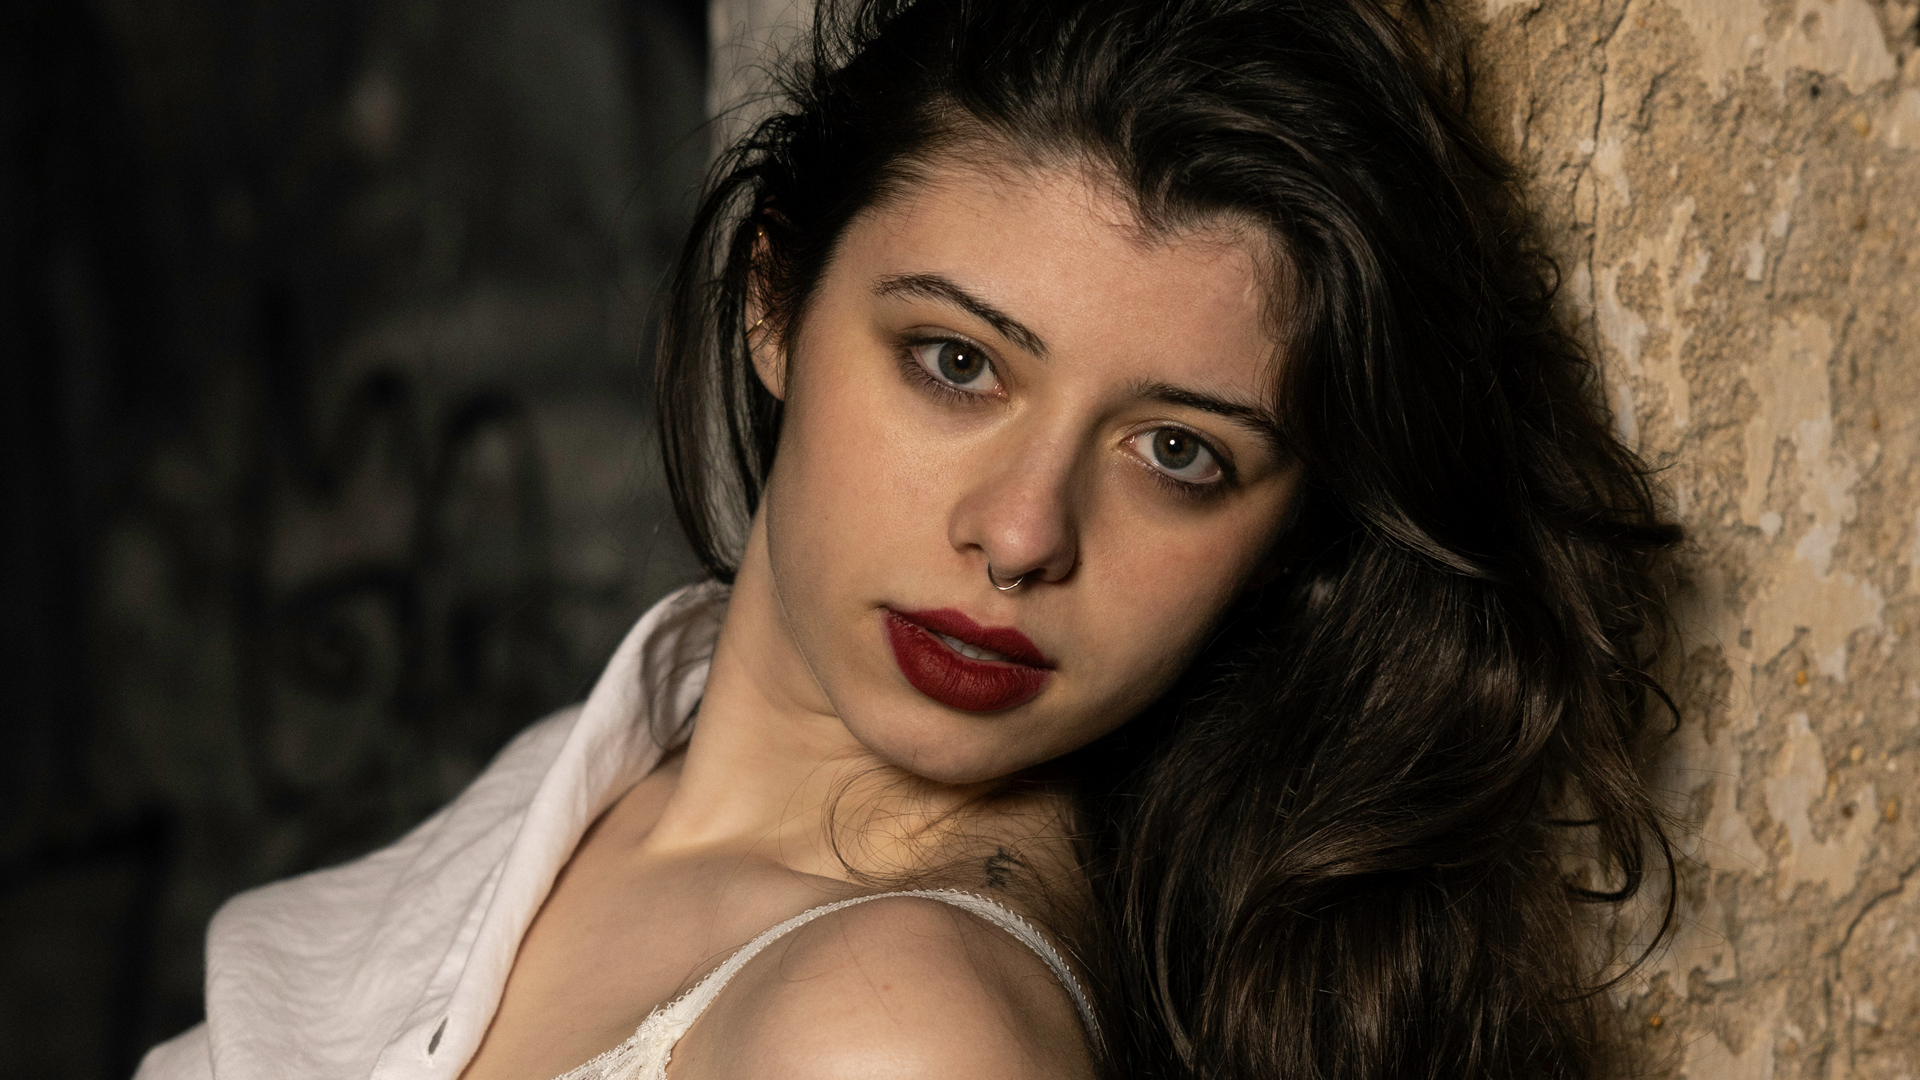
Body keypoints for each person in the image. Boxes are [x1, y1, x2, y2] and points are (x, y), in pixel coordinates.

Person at [136, 0, 1683, 1077]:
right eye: (957, 362)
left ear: (1287, 538)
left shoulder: (901, 1032)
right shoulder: (580, 784)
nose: (1019, 536)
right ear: (774, 301)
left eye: (1178, 453)